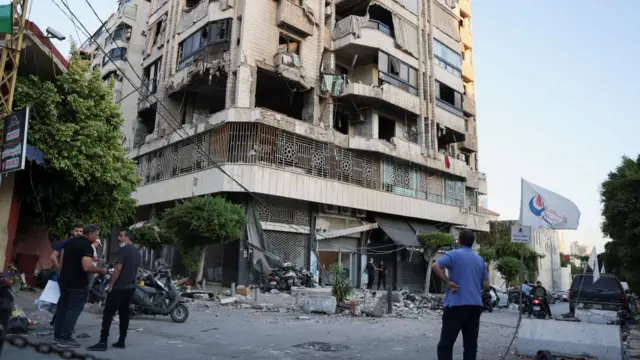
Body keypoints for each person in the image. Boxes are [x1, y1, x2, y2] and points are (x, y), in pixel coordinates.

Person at [431, 229, 489, 360]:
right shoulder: (480, 260)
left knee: (446, 344)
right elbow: (486, 285)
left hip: (455, 305)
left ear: (459, 241)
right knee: (470, 345)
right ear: (473, 243)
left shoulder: (453, 255)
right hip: (474, 306)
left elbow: (435, 266)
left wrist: (448, 281)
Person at [54, 224, 107, 348]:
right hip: (77, 284)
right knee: (73, 310)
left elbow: (61, 263)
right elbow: (87, 267)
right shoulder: (86, 246)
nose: (97, 237)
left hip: (64, 281)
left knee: (62, 309)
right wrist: (101, 270)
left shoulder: (69, 243)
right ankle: (65, 338)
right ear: (90, 234)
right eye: (96, 234)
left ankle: (57, 337)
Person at [87, 229, 141, 351]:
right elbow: (136, 271)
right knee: (124, 314)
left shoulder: (123, 250)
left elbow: (118, 269)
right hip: (130, 287)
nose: (118, 238)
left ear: (127, 238)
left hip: (119, 287)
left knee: (108, 314)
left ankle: (103, 342)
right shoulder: (137, 252)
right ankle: (121, 341)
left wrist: (111, 284)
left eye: (121, 236)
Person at [49, 224, 84, 327]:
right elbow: (53, 256)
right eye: (76, 230)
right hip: (66, 276)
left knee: (65, 300)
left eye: (81, 231)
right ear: (72, 231)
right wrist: (60, 268)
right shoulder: (66, 242)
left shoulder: (83, 244)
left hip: (75, 276)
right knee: (66, 301)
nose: (78, 233)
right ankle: (59, 324)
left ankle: (57, 322)